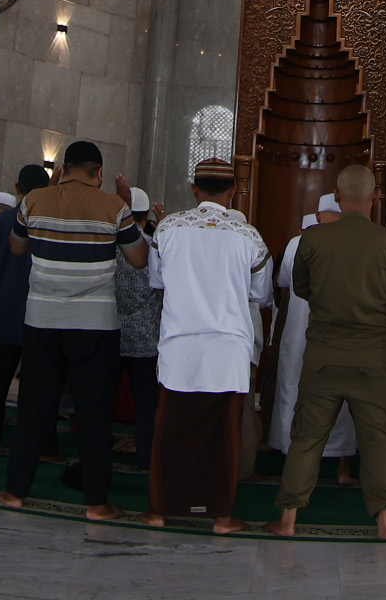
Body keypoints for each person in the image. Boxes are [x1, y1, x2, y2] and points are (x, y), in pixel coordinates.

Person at [0, 141, 147, 521]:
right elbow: (139, 259)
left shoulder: (34, 200)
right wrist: (125, 208)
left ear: (63, 168)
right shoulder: (113, 207)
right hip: (94, 325)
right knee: (95, 413)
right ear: (99, 173)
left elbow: (16, 248)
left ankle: (15, 492)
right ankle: (97, 503)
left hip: (42, 320)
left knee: (33, 407)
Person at [267, 164, 386, 540]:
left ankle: (288, 521)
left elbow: (300, 288)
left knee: (307, 437)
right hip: (374, 359)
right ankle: (385, 523)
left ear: (339, 195)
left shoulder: (313, 240)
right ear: (375, 196)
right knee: (379, 440)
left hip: (323, 356)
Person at [144, 158, 272, 531]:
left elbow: (158, 281)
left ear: (194, 189)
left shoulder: (168, 228)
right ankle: (222, 516)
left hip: (180, 342)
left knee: (170, 428)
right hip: (228, 346)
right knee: (224, 433)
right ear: (233, 191)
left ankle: (158, 511)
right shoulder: (248, 235)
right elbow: (261, 295)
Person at [269, 193, 359, 477]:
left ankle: (291, 458)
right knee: (341, 395)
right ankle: (343, 467)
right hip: (342, 334)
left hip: (300, 334)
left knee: (294, 390)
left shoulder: (297, 244)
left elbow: (284, 284)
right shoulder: (358, 244)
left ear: (318, 215)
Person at [0, 164, 52, 452]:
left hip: (3, 310)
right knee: (38, 388)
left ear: (16, 188)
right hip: (39, 315)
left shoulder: (1, 222)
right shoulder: (50, 224)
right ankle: (39, 446)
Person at [114, 186, 164, 472]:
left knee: (100, 398)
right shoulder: (151, 247)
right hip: (145, 337)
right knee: (147, 404)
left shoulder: (109, 243)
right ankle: (147, 461)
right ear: (146, 218)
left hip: (110, 331)